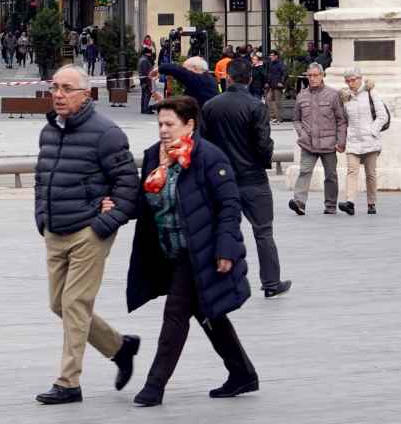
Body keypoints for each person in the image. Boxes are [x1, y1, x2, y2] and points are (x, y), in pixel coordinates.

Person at [121, 96, 259, 406]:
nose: (163, 130)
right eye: (160, 124)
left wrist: (226, 249)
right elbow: (142, 203)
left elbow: (229, 205)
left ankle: (154, 386)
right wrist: (112, 205)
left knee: (175, 314)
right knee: (209, 313)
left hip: (200, 250)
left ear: (190, 125)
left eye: (170, 124)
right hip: (168, 252)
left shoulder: (209, 157)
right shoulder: (154, 157)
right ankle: (242, 373)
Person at [32, 66, 142, 406]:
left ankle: (69, 382)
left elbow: (128, 187)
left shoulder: (106, 133)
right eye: (55, 87)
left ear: (85, 94)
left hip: (88, 232)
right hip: (55, 229)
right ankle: (119, 347)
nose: (59, 94)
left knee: (74, 304)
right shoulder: (49, 131)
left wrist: (104, 225)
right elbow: (41, 177)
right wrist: (42, 217)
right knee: (58, 304)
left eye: (67, 89)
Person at [199, 59, 288, 299]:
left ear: (227, 77)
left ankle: (219, 281)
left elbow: (203, 143)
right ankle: (271, 281)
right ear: (249, 78)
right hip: (253, 178)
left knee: (222, 230)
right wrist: (263, 160)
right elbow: (263, 143)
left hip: (222, 179)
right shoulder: (256, 106)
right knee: (263, 232)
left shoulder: (210, 106)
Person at [288, 63, 347, 215]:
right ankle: (299, 202)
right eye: (310, 76)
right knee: (305, 171)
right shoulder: (302, 95)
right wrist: (302, 133)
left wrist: (341, 141)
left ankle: (330, 205)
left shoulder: (333, 95)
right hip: (308, 143)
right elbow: (296, 119)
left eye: (315, 75)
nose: (312, 78)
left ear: (322, 76)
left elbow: (341, 120)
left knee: (331, 176)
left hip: (328, 143)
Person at [338, 67, 389, 216]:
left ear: (360, 79)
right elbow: (343, 119)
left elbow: (382, 116)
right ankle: (350, 203)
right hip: (353, 140)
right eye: (347, 81)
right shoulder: (346, 97)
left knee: (370, 174)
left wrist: (372, 131)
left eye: (353, 80)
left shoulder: (370, 92)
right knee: (352, 171)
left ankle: (371, 203)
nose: (350, 83)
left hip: (370, 140)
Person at [154, 57, 219, 109]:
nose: (184, 71)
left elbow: (179, 71)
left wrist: (160, 68)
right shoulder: (205, 80)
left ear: (195, 68)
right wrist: (163, 101)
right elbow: (184, 104)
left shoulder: (202, 80)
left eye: (185, 69)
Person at [263, 53, 287, 122]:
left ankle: (279, 118)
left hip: (277, 85)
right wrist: (267, 82)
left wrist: (281, 82)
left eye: (272, 55)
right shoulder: (270, 64)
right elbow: (269, 74)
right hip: (271, 85)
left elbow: (285, 73)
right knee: (268, 99)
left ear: (276, 56)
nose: (271, 57)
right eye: (270, 55)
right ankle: (273, 117)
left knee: (277, 102)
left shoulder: (280, 64)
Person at [136, 45, 156, 114]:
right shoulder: (145, 60)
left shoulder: (142, 59)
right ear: (147, 53)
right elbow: (145, 72)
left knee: (144, 94)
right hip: (146, 80)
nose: (151, 54)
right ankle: (145, 109)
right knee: (147, 94)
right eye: (150, 53)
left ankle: (143, 108)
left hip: (143, 79)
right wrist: (146, 82)